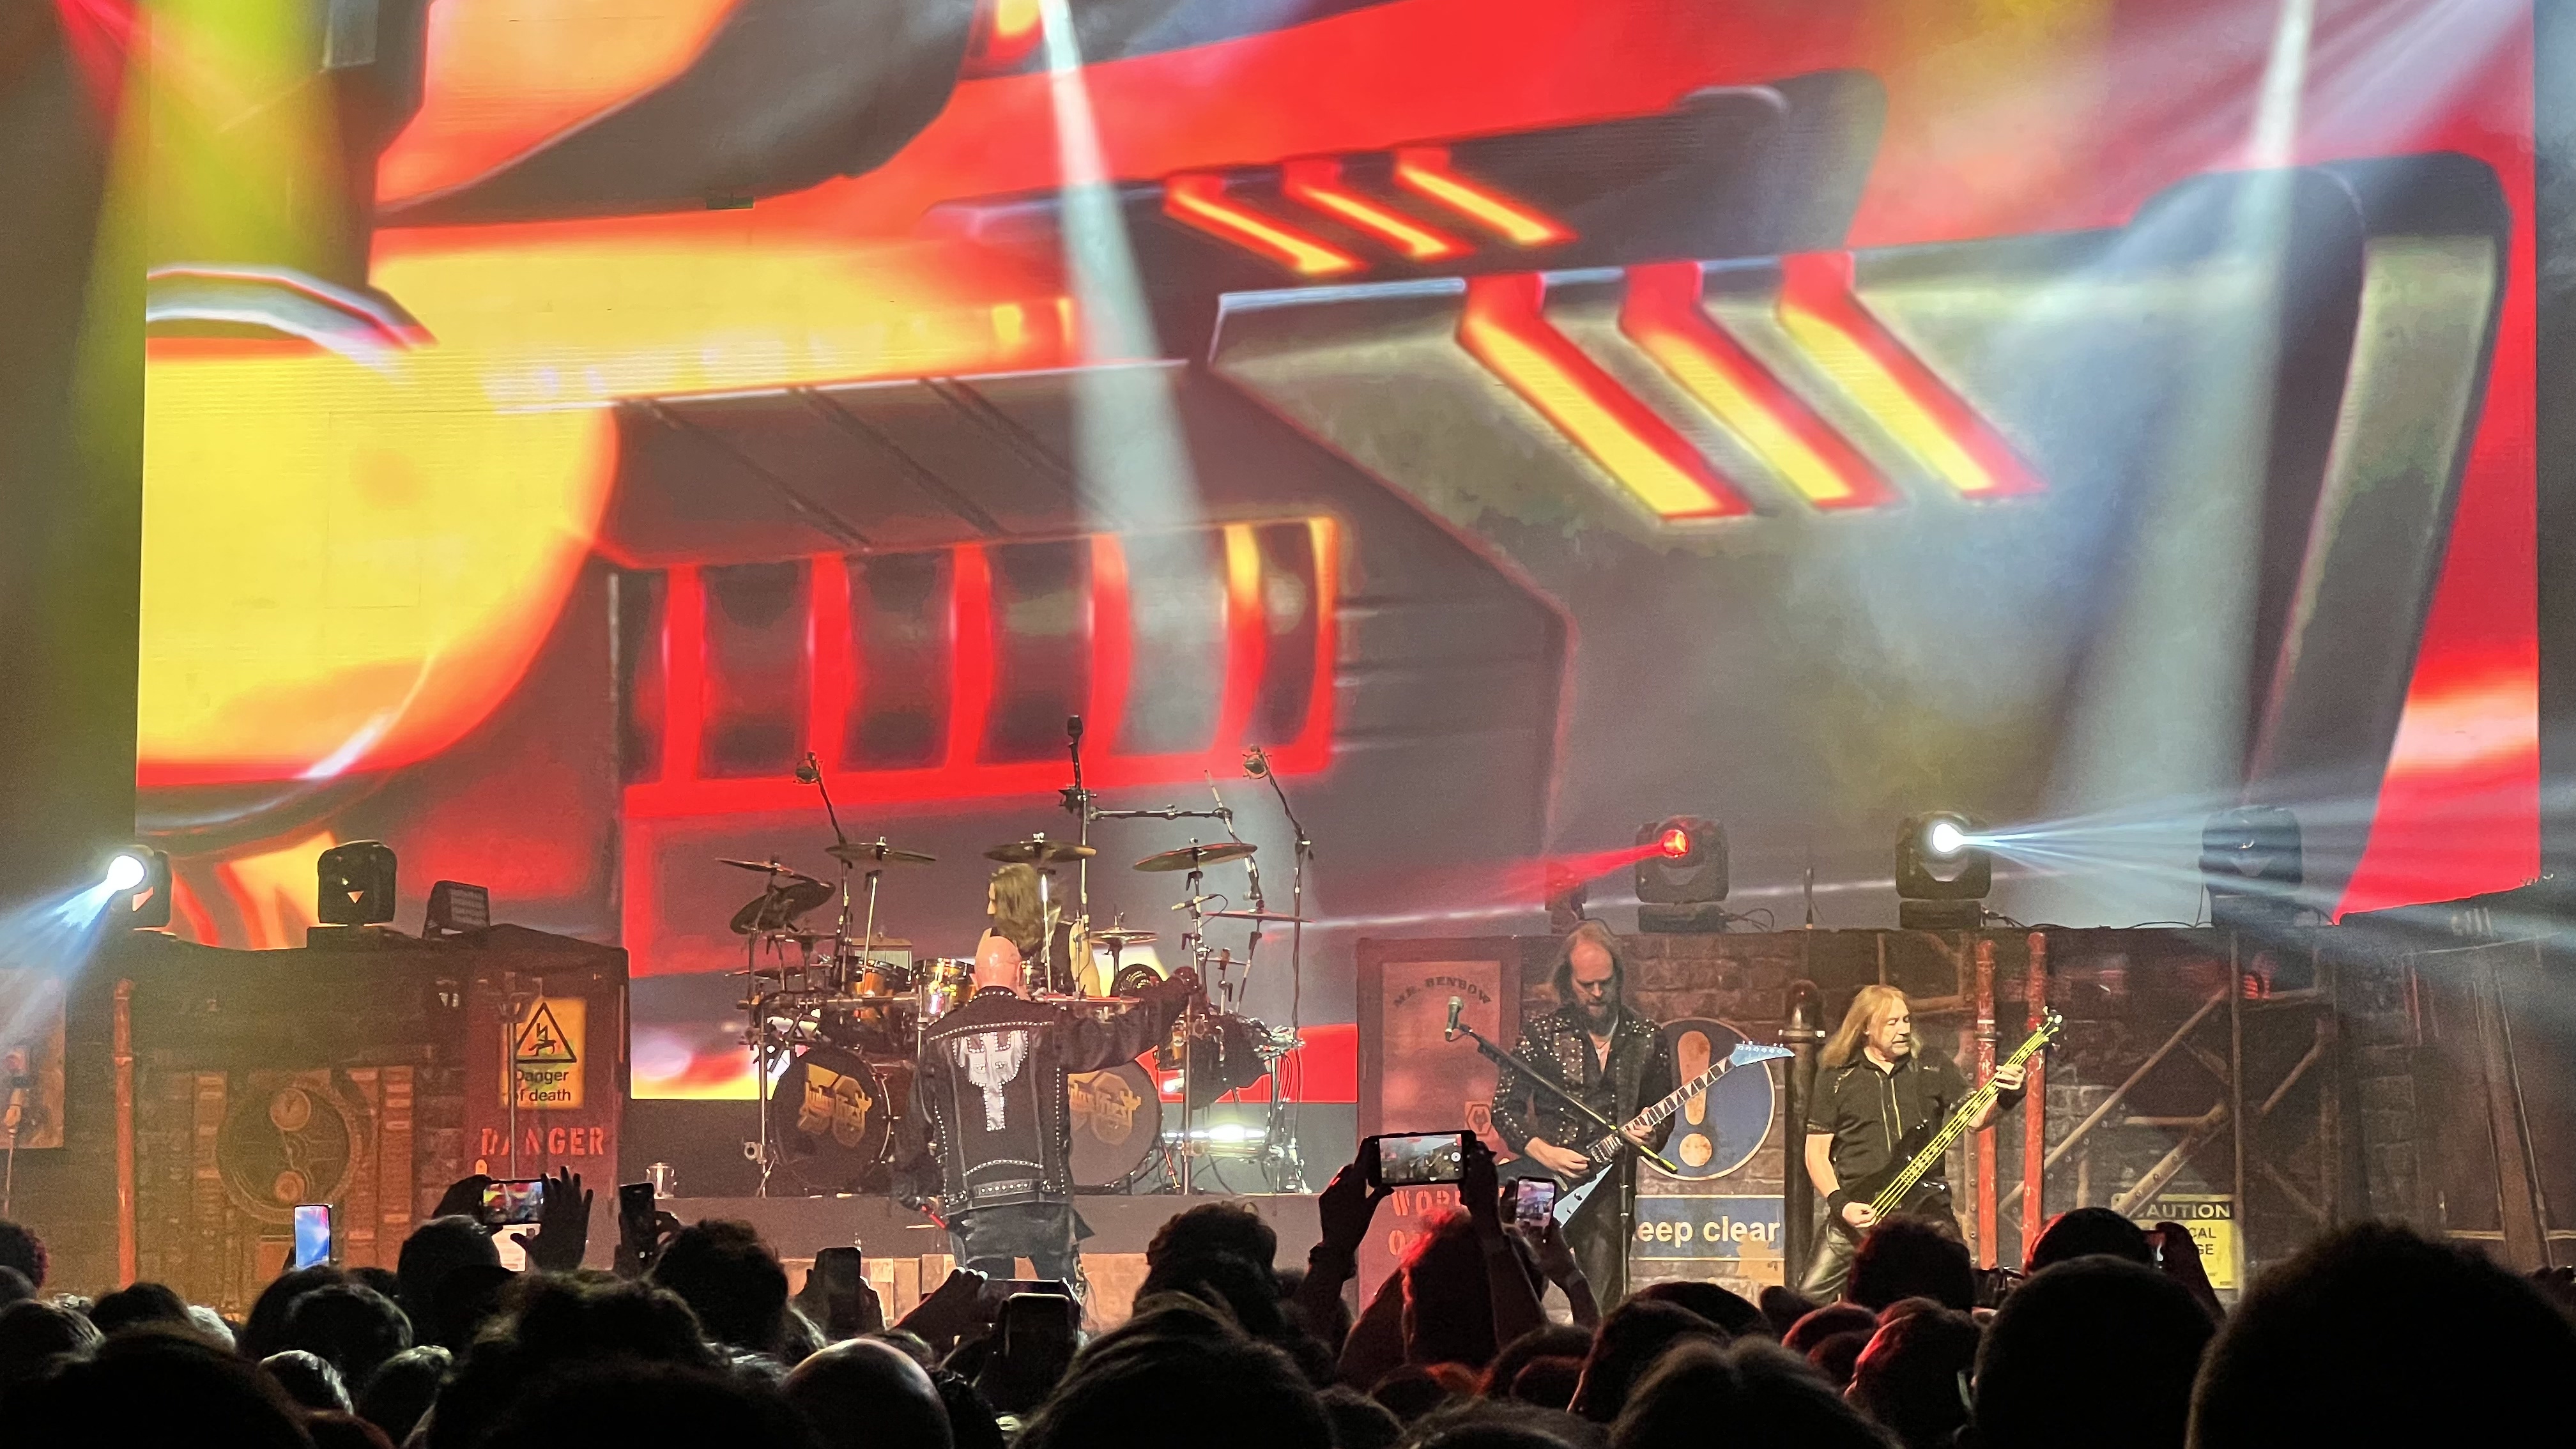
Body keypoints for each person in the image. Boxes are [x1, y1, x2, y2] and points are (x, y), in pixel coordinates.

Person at [904, 868, 1197, 1289]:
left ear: (976, 979)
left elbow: (917, 1121)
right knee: (1062, 1301)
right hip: (1042, 1198)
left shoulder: (938, 1038)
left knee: (982, 1305)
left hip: (972, 1201)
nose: (988, 907)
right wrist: (1172, 991)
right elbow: (1122, 1036)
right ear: (1019, 975)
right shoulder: (1048, 1026)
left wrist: (912, 1185)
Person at [1487, 920, 1678, 1300]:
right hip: (1539, 1181)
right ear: (1567, 981)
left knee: (1602, 1302)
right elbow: (1504, 1109)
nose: (1597, 993)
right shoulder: (1542, 1033)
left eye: (1605, 982)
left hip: (1608, 1189)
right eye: (1586, 984)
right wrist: (1545, 1152)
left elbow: (1663, 1112)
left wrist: (1650, 1135)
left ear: (1619, 977)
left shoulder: (1646, 1036)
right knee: (1521, 1290)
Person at [1799, 985, 2025, 1298]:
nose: (1904, 1029)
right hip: (1860, 1209)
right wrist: (1842, 1205)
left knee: (1954, 1290)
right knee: (1808, 1297)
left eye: (1906, 1020)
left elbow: (1974, 1119)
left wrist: (2009, 1095)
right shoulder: (1836, 1075)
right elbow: (1816, 1153)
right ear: (1865, 1027)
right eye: (1892, 1022)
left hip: (1926, 1207)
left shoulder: (1931, 1065)